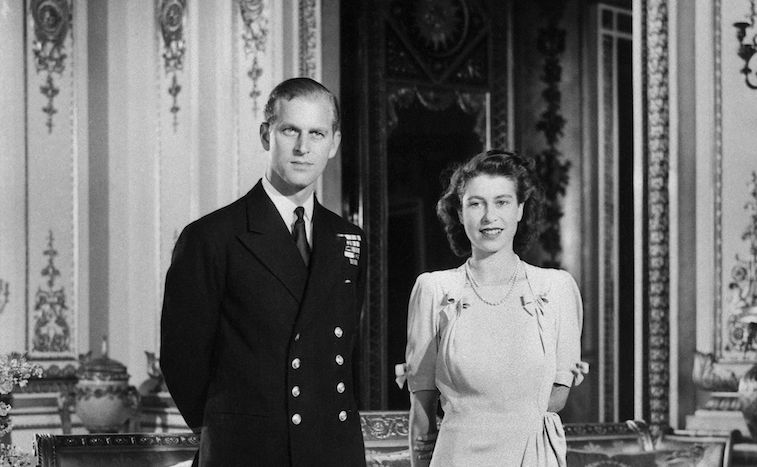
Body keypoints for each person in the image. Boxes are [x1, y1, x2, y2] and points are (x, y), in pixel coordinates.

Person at [160, 77, 367, 467]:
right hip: (248, 451)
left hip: (333, 451)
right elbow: (181, 358)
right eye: (290, 130)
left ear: (334, 144)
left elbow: (342, 353)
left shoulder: (348, 238)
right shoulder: (213, 237)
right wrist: (228, 427)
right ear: (265, 134)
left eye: (317, 133)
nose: (304, 148)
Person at [404, 149, 585, 466]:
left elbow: (556, 397)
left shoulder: (556, 290)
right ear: (460, 213)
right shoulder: (434, 290)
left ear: (520, 210)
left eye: (502, 202)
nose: (489, 217)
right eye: (476, 204)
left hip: (531, 457)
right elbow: (422, 406)